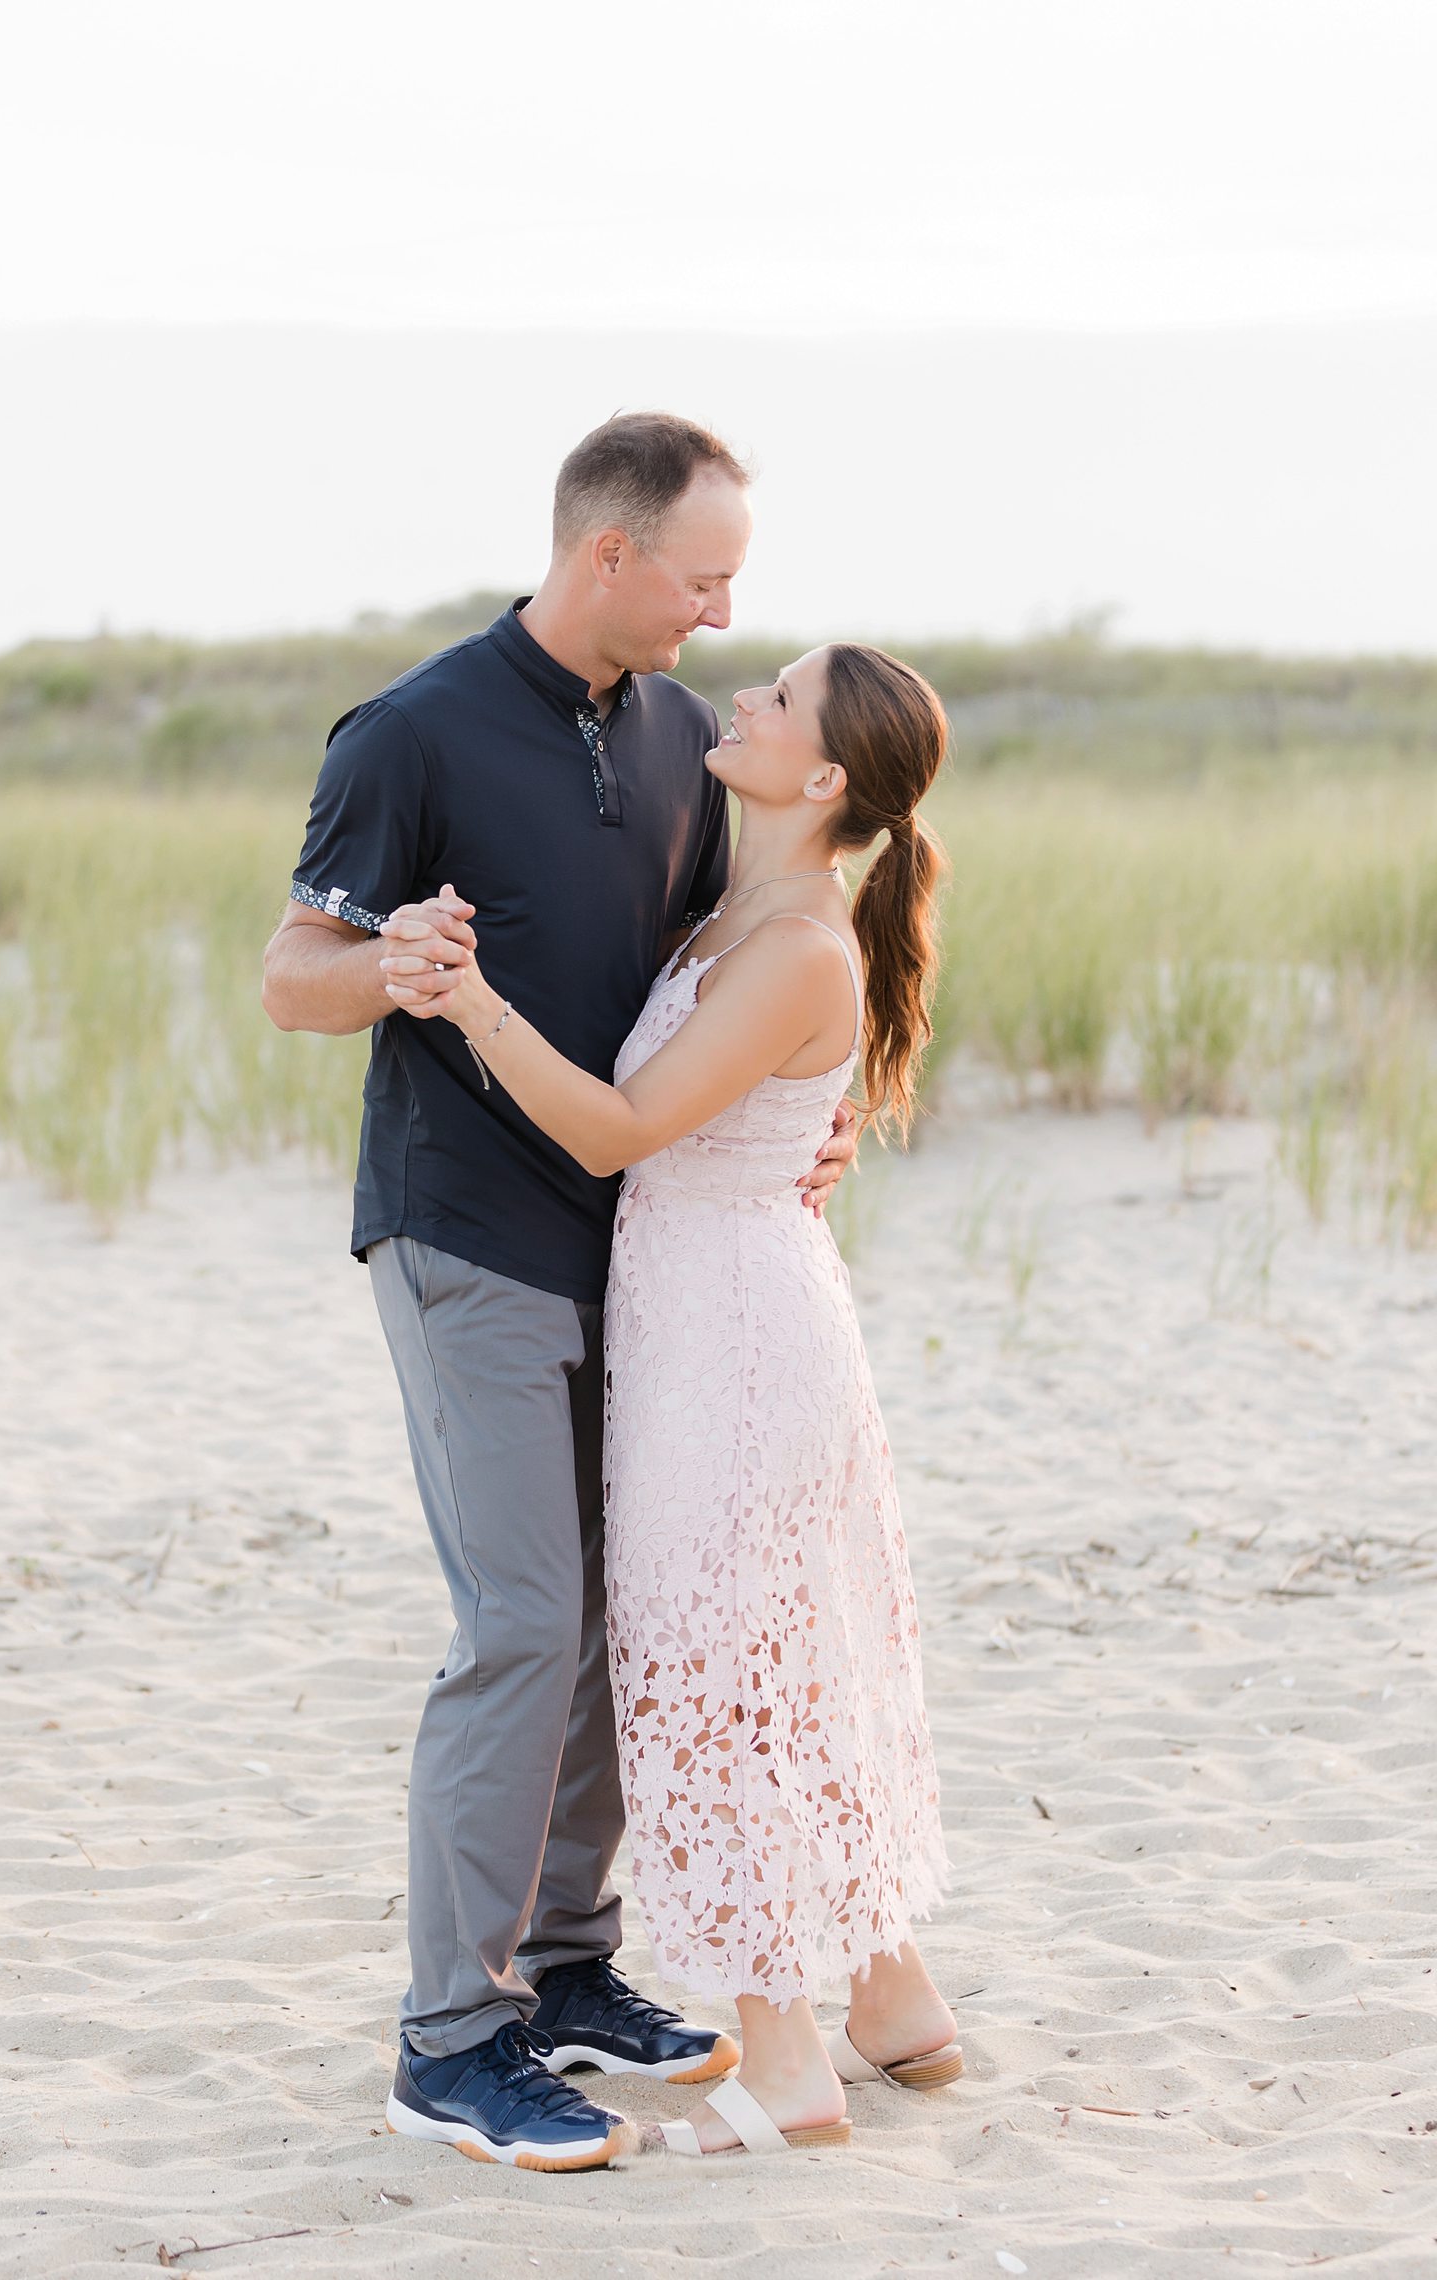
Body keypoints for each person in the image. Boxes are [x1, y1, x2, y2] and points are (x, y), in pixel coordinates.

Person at [262, 413, 858, 2172]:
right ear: (610, 557)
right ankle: (452, 2035)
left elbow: (717, 987)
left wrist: (799, 1141)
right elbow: (293, 979)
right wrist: (391, 964)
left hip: (649, 1252)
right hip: (466, 1238)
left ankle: (576, 1971)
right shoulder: (412, 730)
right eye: (703, 573)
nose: (724, 607)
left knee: (615, 1616)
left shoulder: (683, 735)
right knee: (524, 1621)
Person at [388, 638, 959, 2159]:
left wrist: (466, 1002)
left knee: (721, 1671)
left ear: (826, 777)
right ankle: (893, 1999)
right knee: (787, 1650)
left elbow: (624, 1130)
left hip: (736, 1344)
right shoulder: (746, 904)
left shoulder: (790, 943)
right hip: (720, 1317)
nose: (741, 702)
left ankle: (786, 2060)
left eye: (776, 700)